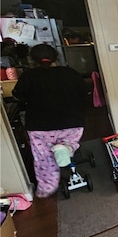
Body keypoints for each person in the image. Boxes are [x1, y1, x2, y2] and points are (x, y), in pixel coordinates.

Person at [12, 44, 91, 198]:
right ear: (56, 57)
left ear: (32, 60)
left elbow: (17, 96)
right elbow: (86, 92)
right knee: (70, 140)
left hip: (40, 126)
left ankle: (47, 188)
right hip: (71, 122)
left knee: (44, 157)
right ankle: (67, 147)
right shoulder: (70, 73)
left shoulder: (28, 76)